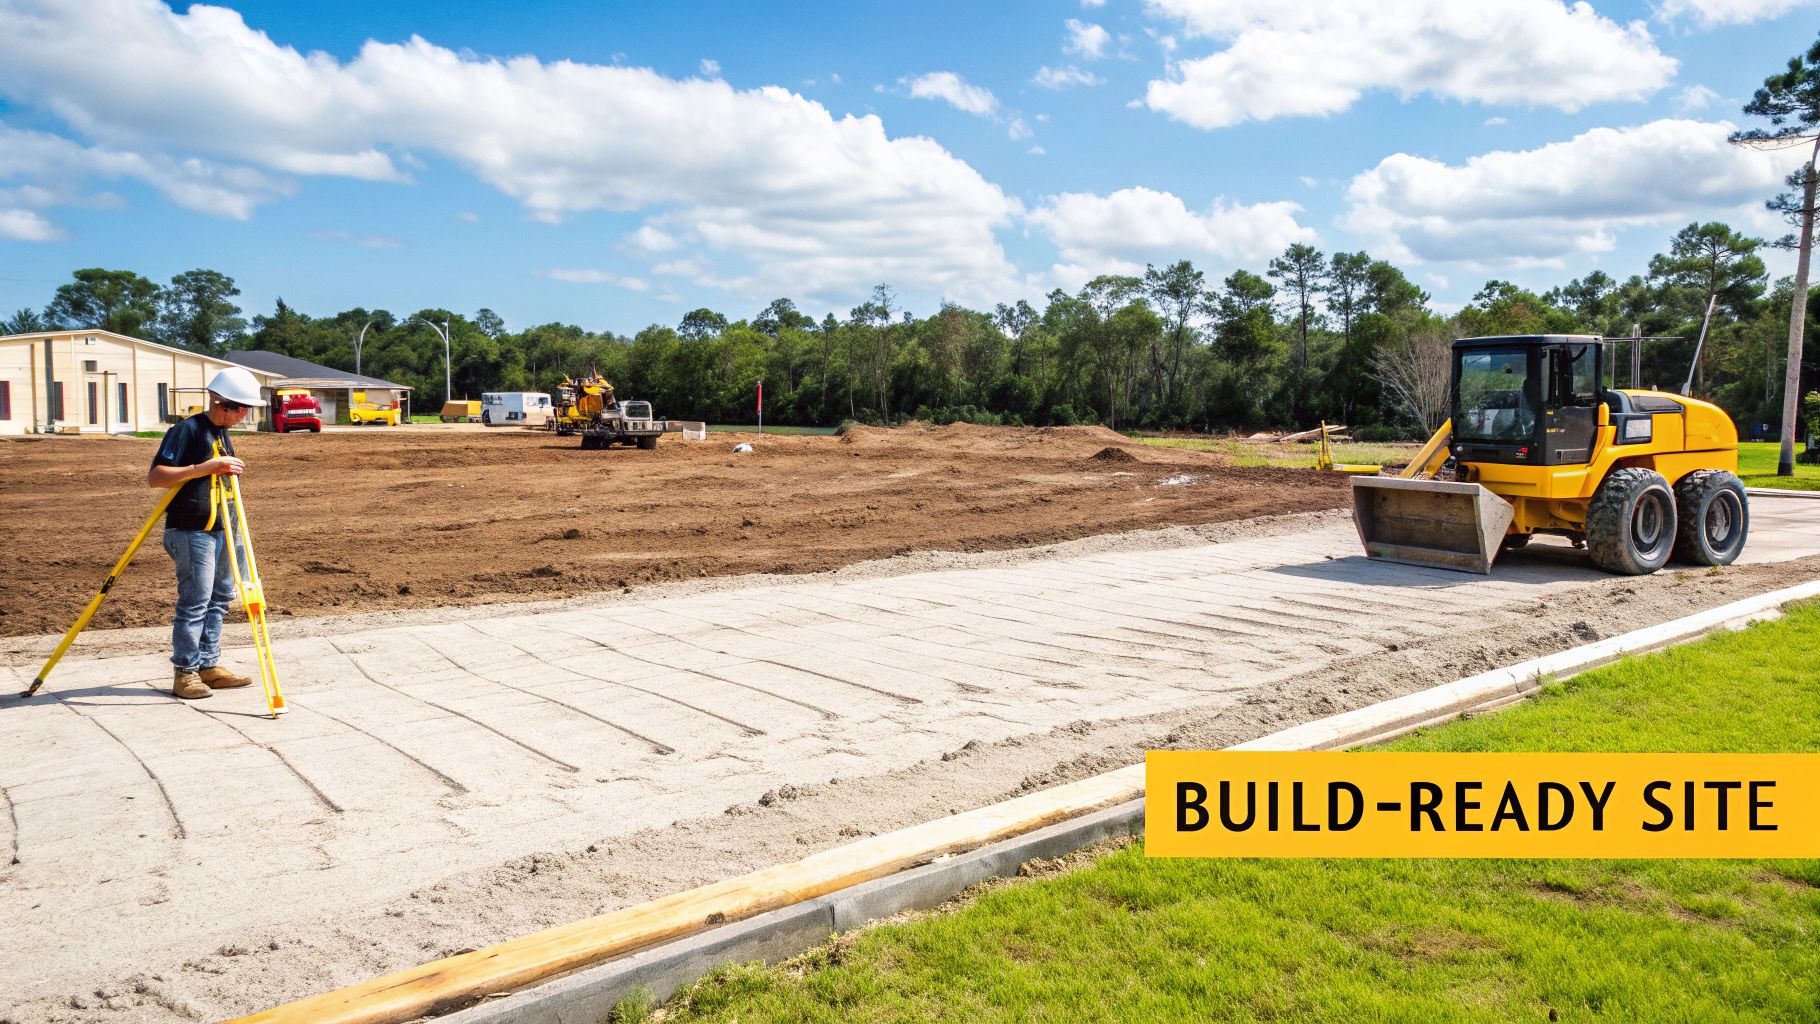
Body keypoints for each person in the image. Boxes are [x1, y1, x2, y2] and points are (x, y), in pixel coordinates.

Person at [146, 367, 268, 700]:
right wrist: (207, 468)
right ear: (222, 403)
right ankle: (184, 672)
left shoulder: (220, 432)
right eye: (241, 408)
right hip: (191, 530)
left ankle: (207, 666)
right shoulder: (186, 431)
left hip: (222, 528)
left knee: (219, 600)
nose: (245, 415)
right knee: (195, 603)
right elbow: (157, 476)